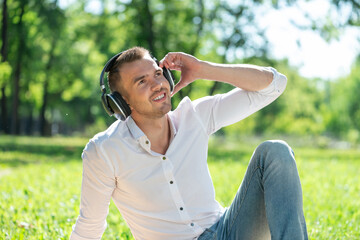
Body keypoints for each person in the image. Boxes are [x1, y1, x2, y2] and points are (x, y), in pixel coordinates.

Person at [70, 46, 308, 240]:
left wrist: (203, 69)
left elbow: (274, 85)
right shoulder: (104, 151)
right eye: (141, 82)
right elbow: (89, 227)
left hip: (227, 231)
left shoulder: (195, 116)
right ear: (121, 103)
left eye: (157, 74)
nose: (157, 84)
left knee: (275, 152)